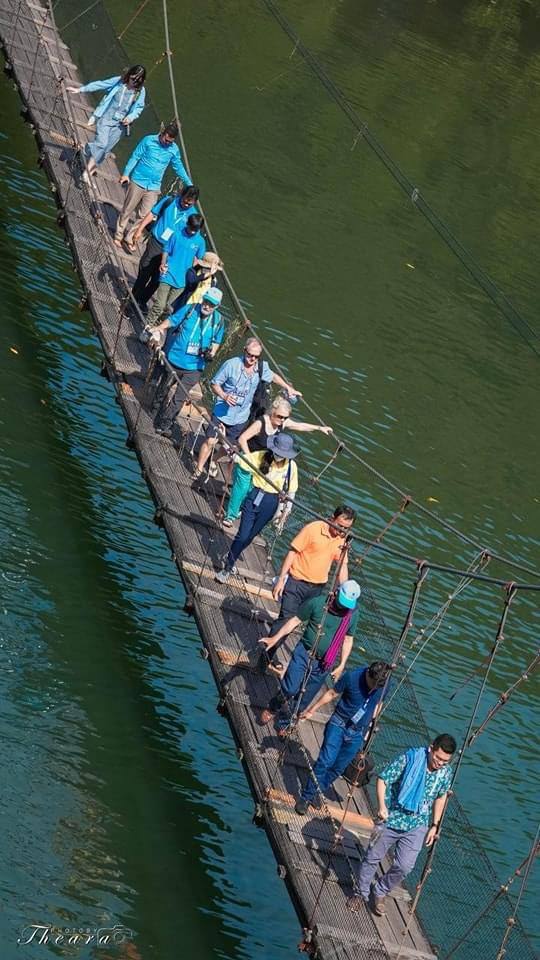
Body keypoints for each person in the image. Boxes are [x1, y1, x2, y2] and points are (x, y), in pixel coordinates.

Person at [348, 734, 456, 917]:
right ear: (431, 748)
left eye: (445, 761)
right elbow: (383, 779)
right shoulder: (410, 758)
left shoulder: (445, 772)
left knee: (405, 866)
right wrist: (382, 807)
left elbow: (441, 795)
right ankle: (360, 893)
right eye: (438, 758)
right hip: (391, 818)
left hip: (417, 823)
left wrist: (435, 824)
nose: (440, 763)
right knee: (373, 857)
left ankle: (381, 890)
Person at [259, 580, 362, 733]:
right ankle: (274, 706)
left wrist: (341, 664)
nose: (343, 607)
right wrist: (275, 638)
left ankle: (285, 722)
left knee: (304, 698)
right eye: (342, 602)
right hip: (304, 653)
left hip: (324, 663)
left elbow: (348, 639)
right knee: (290, 688)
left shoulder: (352, 615)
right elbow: (295, 620)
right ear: (336, 592)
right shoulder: (317, 603)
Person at [194, 338, 301, 480]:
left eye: (256, 356)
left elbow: (273, 376)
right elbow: (215, 384)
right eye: (250, 355)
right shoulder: (231, 365)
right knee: (210, 441)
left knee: (230, 446)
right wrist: (224, 396)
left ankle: (213, 459)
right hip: (222, 413)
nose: (253, 359)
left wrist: (288, 388)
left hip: (241, 417)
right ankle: (199, 468)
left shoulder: (261, 368)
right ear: (244, 351)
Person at [294, 661, 392, 815]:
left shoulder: (384, 685)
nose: (374, 688)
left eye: (378, 686)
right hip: (339, 723)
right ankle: (306, 797)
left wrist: (370, 724)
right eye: (373, 684)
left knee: (338, 768)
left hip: (358, 732)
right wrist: (311, 710)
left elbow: (379, 703)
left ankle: (316, 790)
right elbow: (332, 693)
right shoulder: (352, 677)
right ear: (368, 673)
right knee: (326, 760)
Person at [222, 397, 333, 527]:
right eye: (280, 416)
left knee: (251, 490)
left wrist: (319, 428)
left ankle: (238, 509)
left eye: (285, 418)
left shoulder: (282, 423)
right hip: (249, 460)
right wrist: (249, 458)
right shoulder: (261, 423)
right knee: (242, 488)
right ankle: (230, 516)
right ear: (272, 412)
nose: (282, 420)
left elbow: (300, 426)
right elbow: (242, 439)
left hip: (263, 464)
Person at [265, 506, 356, 658]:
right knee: (286, 619)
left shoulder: (342, 540)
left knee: (298, 622)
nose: (342, 531)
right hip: (296, 583)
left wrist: (344, 590)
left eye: (346, 528)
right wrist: (281, 579)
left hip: (316, 589)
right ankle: (266, 656)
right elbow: (293, 552)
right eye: (340, 526)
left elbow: (342, 566)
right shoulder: (313, 529)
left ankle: (270, 654)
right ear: (332, 518)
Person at [215, 433, 299, 583]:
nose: (279, 456)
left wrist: (285, 513)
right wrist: (226, 443)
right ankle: (227, 567)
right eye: (277, 453)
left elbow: (291, 491)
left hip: (271, 502)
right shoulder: (261, 456)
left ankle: (232, 554)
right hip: (254, 496)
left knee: (250, 536)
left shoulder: (291, 467)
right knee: (242, 535)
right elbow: (240, 459)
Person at [150, 287, 225, 436]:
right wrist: (158, 328)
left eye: (211, 304)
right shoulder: (190, 309)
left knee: (179, 397)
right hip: (174, 359)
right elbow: (172, 320)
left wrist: (212, 353)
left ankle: (164, 424)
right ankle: (153, 411)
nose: (207, 306)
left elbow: (217, 340)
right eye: (206, 301)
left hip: (194, 367)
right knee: (163, 389)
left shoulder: (219, 321)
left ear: (217, 306)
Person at [114, 121, 192, 250]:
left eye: (170, 142)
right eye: (166, 140)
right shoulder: (148, 140)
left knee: (145, 214)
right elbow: (135, 156)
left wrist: (189, 184)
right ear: (162, 134)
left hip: (154, 186)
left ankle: (130, 237)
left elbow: (178, 167)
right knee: (128, 209)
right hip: (138, 180)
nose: (167, 143)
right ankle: (118, 234)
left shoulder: (173, 150)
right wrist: (126, 174)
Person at [67, 66, 146, 182]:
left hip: (120, 126)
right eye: (133, 79)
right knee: (102, 144)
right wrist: (81, 89)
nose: (134, 83)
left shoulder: (140, 91)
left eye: (137, 81)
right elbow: (100, 84)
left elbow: (139, 108)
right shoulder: (119, 81)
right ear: (129, 75)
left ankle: (87, 158)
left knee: (105, 151)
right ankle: (87, 169)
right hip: (107, 118)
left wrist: (130, 117)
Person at [131, 185, 200, 310]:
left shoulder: (194, 216)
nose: (185, 205)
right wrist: (139, 230)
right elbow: (152, 213)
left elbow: (194, 238)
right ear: (181, 195)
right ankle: (133, 300)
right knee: (144, 271)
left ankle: (142, 301)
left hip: (172, 251)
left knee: (158, 278)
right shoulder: (169, 201)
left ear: (194, 202)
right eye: (184, 201)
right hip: (157, 243)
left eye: (189, 204)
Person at [143, 213, 206, 330]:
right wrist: (163, 263)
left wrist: (200, 265)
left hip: (182, 280)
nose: (192, 232)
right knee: (160, 305)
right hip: (168, 273)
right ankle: (147, 327)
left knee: (168, 307)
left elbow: (200, 258)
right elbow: (166, 249)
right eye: (191, 228)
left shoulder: (200, 241)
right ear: (187, 224)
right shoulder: (176, 234)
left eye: (196, 230)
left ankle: (157, 328)